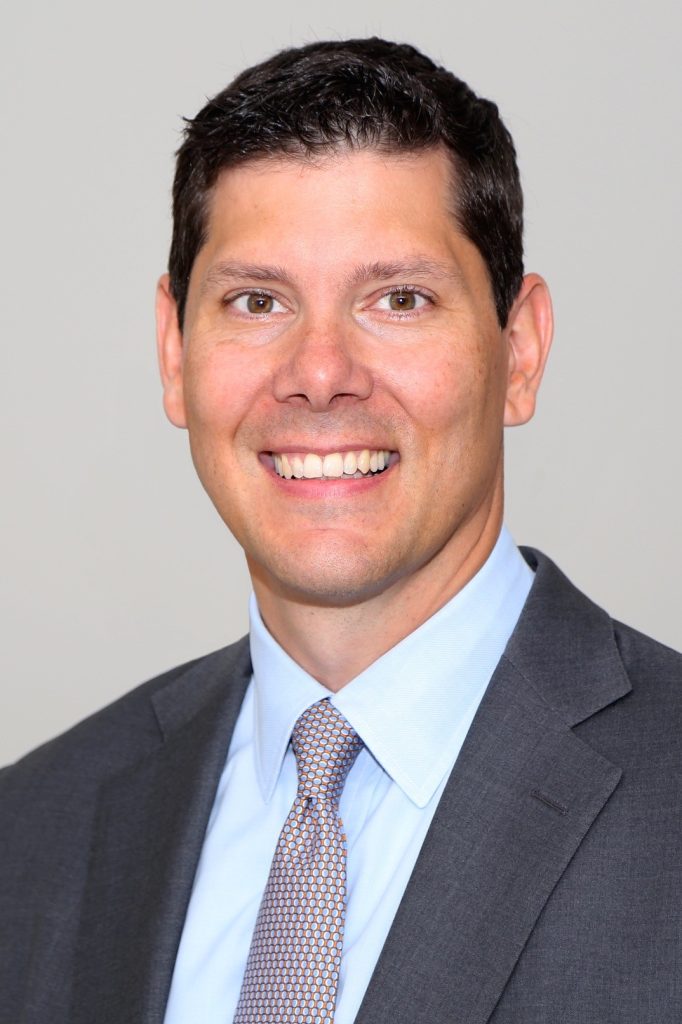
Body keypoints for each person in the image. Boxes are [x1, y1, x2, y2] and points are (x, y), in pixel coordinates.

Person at [1, 37, 680, 1024]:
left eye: (397, 298)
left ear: (520, 350)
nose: (319, 371)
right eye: (257, 300)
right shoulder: (33, 832)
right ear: (174, 352)